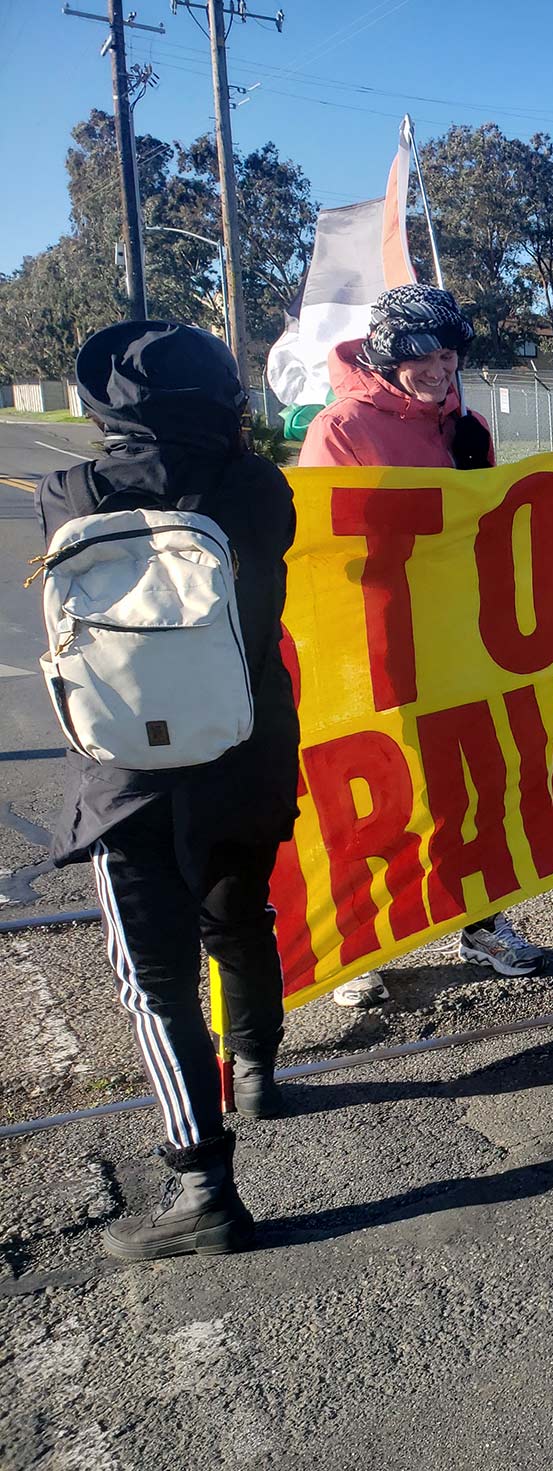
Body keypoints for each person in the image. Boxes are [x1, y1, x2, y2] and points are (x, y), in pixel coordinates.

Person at [38, 321, 299, 1260]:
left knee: (155, 983)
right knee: (242, 917)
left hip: (130, 771)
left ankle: (203, 1187)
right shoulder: (263, 489)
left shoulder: (68, 490)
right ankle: (260, 1068)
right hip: (244, 747)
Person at [299, 284, 542, 1003]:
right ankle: (359, 942)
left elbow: (488, 527)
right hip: (369, 644)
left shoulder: (462, 427)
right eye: (425, 356)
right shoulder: (341, 429)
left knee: (473, 784)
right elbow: (322, 550)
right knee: (372, 795)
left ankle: (483, 922)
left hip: (458, 637)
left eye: (449, 355)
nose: (440, 369)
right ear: (388, 354)